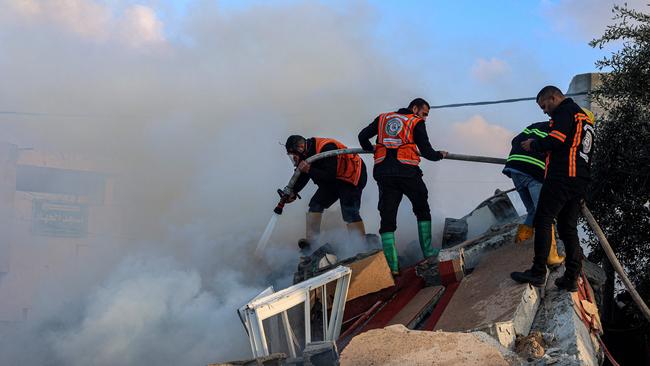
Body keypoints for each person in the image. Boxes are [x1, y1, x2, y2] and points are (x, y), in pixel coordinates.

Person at [511, 86, 595, 292]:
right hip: (579, 180)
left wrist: (535, 144)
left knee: (543, 219)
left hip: (562, 176)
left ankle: (538, 271)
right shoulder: (585, 121)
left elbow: (557, 139)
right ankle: (571, 278)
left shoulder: (565, 111)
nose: (544, 111)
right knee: (568, 228)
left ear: (554, 97)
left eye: (544, 105)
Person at [358, 98, 447, 275]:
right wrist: (440, 155)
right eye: (424, 113)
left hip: (384, 173)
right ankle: (429, 252)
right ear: (415, 108)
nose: (425, 118)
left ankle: (392, 267)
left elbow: (362, 136)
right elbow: (427, 152)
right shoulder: (416, 122)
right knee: (422, 209)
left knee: (387, 217)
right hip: (407, 172)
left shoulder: (383, 118)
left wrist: (372, 149)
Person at [284, 135, 367, 250]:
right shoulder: (305, 153)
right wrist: (293, 192)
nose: (295, 159)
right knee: (315, 204)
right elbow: (303, 175)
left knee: (349, 211)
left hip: (351, 177)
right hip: (334, 180)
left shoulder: (327, 147)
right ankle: (311, 243)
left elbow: (329, 175)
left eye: (294, 156)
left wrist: (308, 169)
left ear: (301, 147)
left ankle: (360, 244)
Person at [503, 121, 565, 266]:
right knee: (544, 213)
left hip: (514, 168)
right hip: (532, 171)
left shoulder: (535, 126)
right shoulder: (561, 130)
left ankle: (520, 245)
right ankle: (551, 255)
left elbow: (515, 140)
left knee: (532, 211)